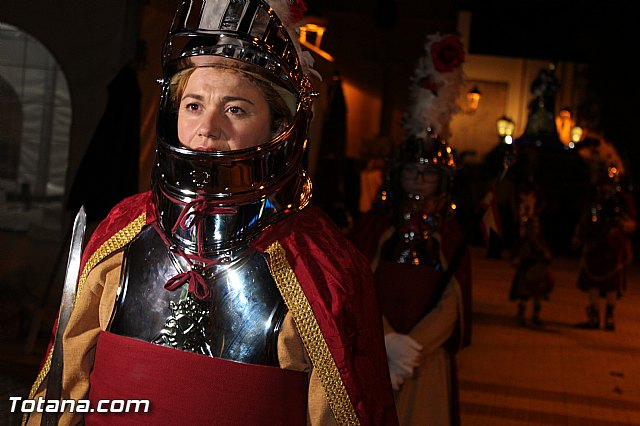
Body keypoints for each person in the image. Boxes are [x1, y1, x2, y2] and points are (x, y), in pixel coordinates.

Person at [23, 1, 398, 425]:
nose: (208, 127)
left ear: (280, 126)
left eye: (236, 109)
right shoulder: (124, 229)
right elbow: (67, 383)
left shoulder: (323, 263)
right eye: (193, 105)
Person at [349, 129, 472, 426]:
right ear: (397, 175)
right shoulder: (373, 227)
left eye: (428, 173)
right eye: (412, 171)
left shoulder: (451, 235)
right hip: (375, 350)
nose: (419, 180)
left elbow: (452, 303)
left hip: (425, 359)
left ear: (441, 179)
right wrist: (388, 340)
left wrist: (412, 349)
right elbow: (355, 287)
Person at [572, 135, 637, 331]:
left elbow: (632, 222)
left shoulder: (622, 199)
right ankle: (593, 317)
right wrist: (579, 236)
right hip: (594, 243)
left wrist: (622, 226)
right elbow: (586, 217)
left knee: (611, 284)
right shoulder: (594, 195)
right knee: (592, 281)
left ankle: (609, 319)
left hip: (613, 244)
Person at [508, 181, 554, 326]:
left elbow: (548, 255)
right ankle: (521, 313)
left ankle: (535, 314)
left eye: (536, 226)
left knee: (537, 295)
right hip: (526, 268)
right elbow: (517, 253)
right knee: (523, 293)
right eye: (532, 227)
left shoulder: (541, 241)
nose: (534, 229)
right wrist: (516, 259)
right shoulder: (524, 241)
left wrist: (545, 257)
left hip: (537, 270)